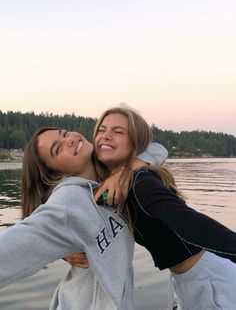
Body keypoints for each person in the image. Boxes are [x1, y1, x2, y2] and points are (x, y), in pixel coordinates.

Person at [0, 126, 168, 310]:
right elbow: (12, 247)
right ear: (56, 173)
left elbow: (157, 149)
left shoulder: (109, 173)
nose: (69, 140)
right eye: (58, 149)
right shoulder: (67, 202)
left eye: (64, 134)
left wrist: (125, 171)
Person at [91, 107, 236, 310]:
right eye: (101, 130)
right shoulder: (107, 184)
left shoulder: (140, 183)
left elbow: (190, 223)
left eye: (118, 132)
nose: (106, 136)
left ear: (135, 143)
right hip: (185, 279)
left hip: (210, 278)